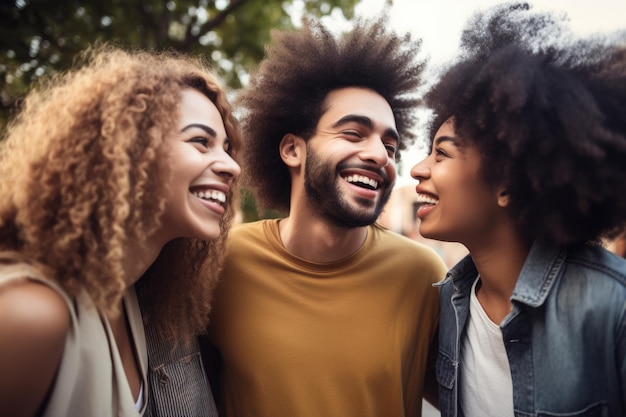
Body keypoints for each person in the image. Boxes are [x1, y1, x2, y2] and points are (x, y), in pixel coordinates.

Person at [202, 15, 447, 417]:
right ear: (292, 150)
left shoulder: (423, 275)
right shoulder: (221, 262)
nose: (379, 155)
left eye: (390, 144)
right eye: (353, 133)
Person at [0, 45, 241, 417]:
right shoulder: (32, 313)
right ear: (128, 150)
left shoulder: (135, 297)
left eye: (226, 147)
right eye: (200, 142)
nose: (231, 166)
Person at [410, 3, 626, 416]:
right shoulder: (447, 306)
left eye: (441, 154)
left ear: (507, 183)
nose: (419, 169)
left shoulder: (613, 306)